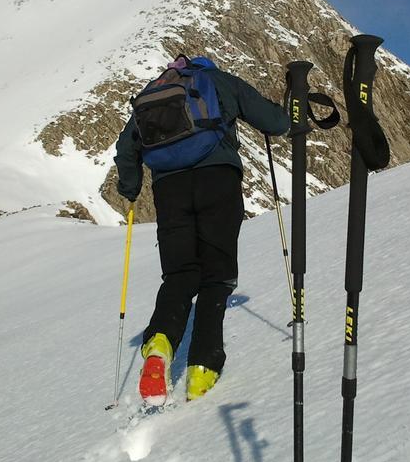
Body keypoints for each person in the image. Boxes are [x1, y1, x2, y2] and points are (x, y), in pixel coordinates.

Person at [114, 55, 290, 404]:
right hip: (217, 180)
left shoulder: (154, 91)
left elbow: (126, 147)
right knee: (216, 278)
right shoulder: (216, 81)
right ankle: (201, 369)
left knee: (179, 275)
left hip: (169, 190)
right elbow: (274, 122)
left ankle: (160, 345)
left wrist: (130, 187)